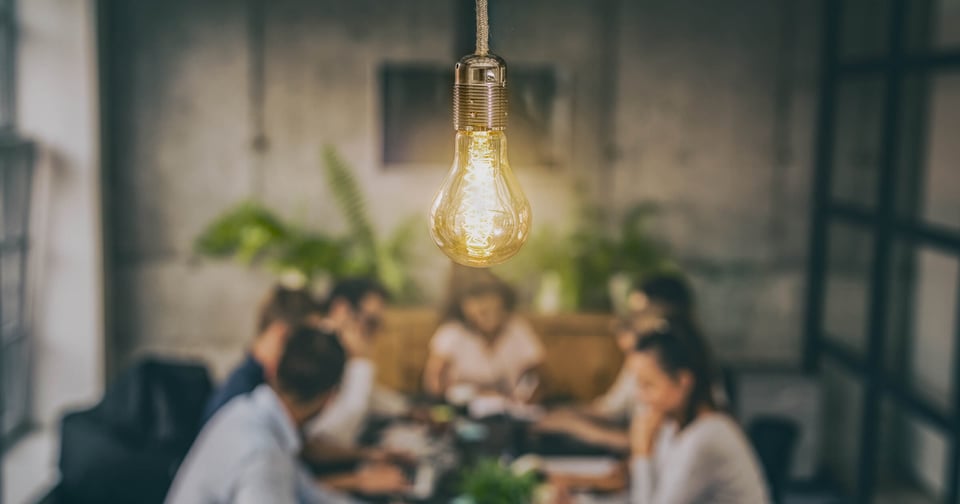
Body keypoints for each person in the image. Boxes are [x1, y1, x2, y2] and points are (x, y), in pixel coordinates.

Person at [166, 326, 398, 503]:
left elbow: (309, 492)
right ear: (330, 398)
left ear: (274, 368)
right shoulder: (262, 453)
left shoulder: (248, 414)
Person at [534, 274, 695, 452]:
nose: (632, 322)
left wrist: (583, 430)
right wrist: (562, 415)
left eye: (640, 314)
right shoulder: (641, 359)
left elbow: (648, 443)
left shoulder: (675, 370)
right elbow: (611, 410)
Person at [628, 319, 769, 504]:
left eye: (648, 385)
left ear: (683, 381)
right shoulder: (673, 426)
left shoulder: (705, 437)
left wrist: (642, 454)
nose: (640, 396)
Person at [423, 266, 545, 401]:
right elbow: (434, 379)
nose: (489, 318)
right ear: (465, 308)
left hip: (507, 410)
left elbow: (540, 375)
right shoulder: (452, 333)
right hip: (463, 408)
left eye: (495, 309)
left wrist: (527, 400)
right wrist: (445, 398)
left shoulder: (517, 329)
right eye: (483, 312)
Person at [201, 285, 320, 423]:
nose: (311, 354)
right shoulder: (243, 398)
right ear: (280, 335)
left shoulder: (248, 386)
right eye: (307, 341)